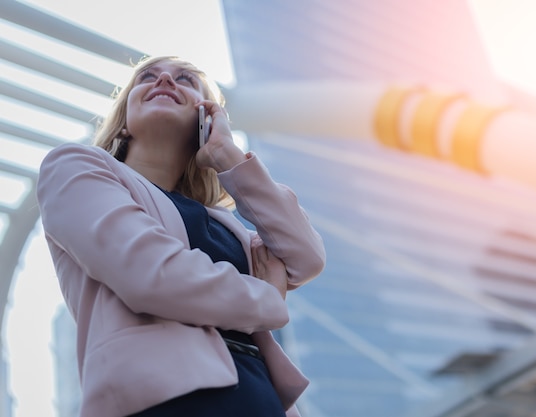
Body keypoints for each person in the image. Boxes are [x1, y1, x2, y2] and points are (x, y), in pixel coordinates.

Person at [36, 55, 325, 417]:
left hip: (259, 396)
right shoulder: (75, 167)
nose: (166, 82)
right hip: (162, 401)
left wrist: (227, 155)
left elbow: (306, 257)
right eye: (148, 77)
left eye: (185, 80)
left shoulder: (225, 224)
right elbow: (150, 275)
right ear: (123, 120)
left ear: (206, 120)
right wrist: (266, 297)